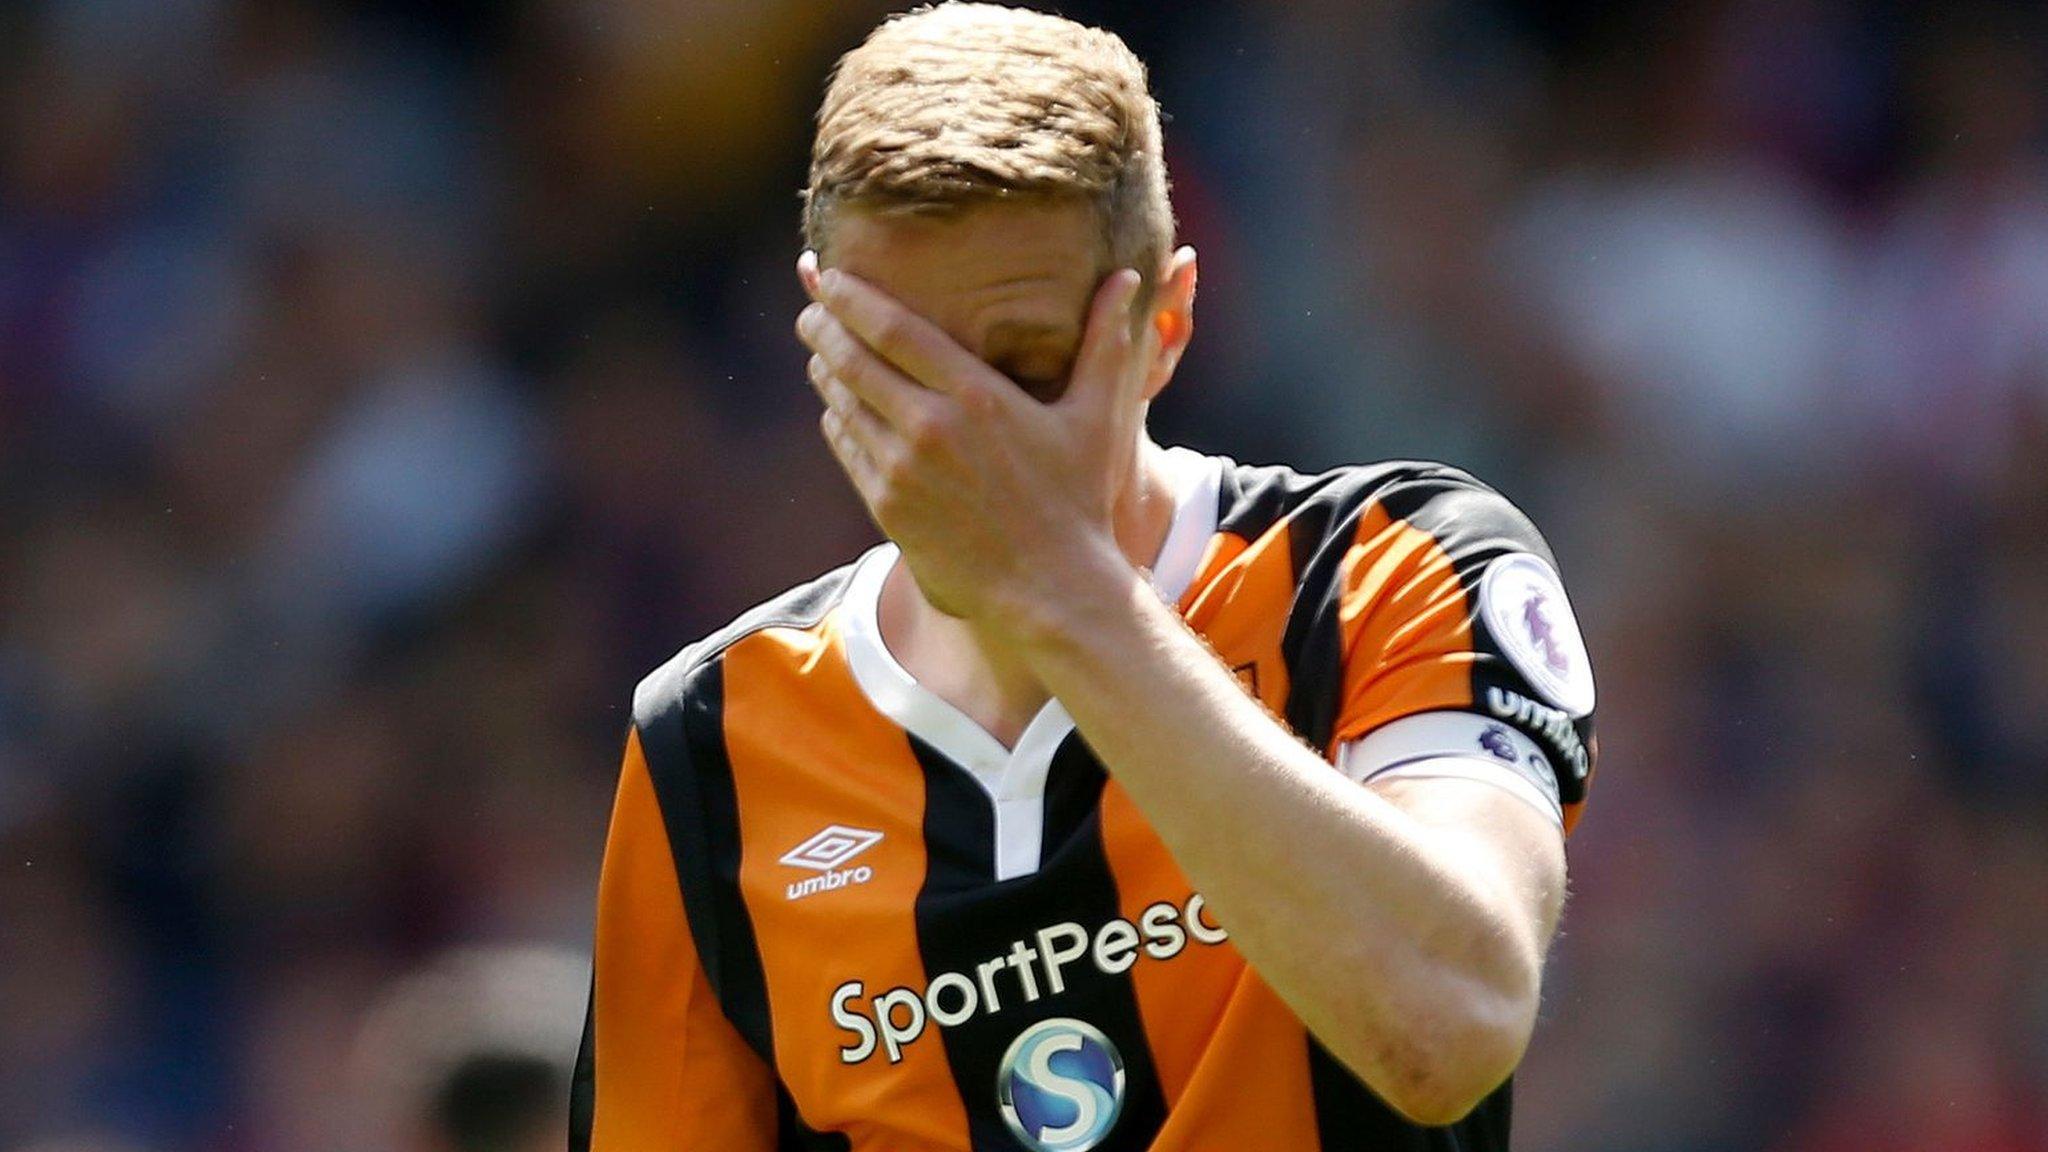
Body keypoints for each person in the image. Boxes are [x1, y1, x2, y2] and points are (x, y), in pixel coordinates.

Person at [571, 5, 1597, 1150]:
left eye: (1022, 368)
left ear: (1162, 325)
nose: (960, 431)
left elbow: (1449, 1028)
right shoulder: (707, 740)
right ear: (820, 345)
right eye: (902, 364)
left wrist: (1061, 592)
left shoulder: (1391, 568)